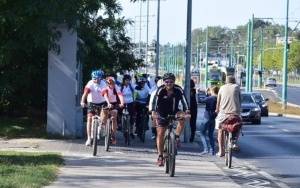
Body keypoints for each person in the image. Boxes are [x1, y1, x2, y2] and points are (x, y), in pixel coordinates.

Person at [151, 73, 191, 167]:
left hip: (174, 111)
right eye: (166, 82)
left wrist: (187, 111)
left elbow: (184, 100)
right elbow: (154, 101)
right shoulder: (160, 90)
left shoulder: (178, 89)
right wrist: (153, 112)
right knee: (160, 133)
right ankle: (160, 156)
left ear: (174, 82)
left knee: (183, 117)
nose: (169, 83)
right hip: (162, 113)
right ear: (164, 82)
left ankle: (176, 137)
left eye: (171, 82)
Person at [215, 75, 242, 157]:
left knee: (220, 130)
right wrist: (239, 108)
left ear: (226, 81)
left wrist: (217, 110)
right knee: (239, 126)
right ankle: (235, 143)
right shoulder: (237, 87)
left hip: (223, 113)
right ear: (234, 81)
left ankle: (220, 151)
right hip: (235, 113)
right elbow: (240, 99)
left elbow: (218, 101)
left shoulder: (222, 88)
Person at [80, 70, 107, 146]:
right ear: (92, 78)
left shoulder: (103, 84)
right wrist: (82, 102)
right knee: (89, 119)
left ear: (101, 78)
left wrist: (108, 102)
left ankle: (102, 126)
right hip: (91, 102)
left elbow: (105, 94)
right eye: (94, 78)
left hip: (102, 101)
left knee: (104, 113)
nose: (96, 80)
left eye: (98, 78)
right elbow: (85, 93)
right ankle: (89, 138)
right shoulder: (90, 83)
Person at [102, 76, 125, 145]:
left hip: (114, 103)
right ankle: (103, 127)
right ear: (107, 84)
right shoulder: (104, 87)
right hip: (106, 102)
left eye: (112, 83)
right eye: (110, 84)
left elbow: (120, 95)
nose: (111, 85)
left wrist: (122, 103)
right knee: (104, 113)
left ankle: (113, 135)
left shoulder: (116, 87)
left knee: (114, 116)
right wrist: (108, 103)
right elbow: (105, 95)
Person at [198, 86, 219, 155]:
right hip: (213, 118)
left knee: (202, 133)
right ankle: (212, 150)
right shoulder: (218, 98)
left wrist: (197, 93)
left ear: (212, 91)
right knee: (210, 134)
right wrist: (207, 94)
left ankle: (206, 149)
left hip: (207, 117)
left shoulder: (211, 98)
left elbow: (199, 100)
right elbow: (207, 99)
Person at [118, 74, 135, 141]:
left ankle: (131, 131)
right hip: (123, 102)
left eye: (128, 80)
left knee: (131, 117)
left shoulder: (131, 86)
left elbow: (136, 90)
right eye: (126, 80)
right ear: (124, 81)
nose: (127, 81)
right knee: (119, 111)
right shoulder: (121, 87)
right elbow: (118, 94)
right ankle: (119, 123)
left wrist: (134, 100)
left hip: (130, 102)